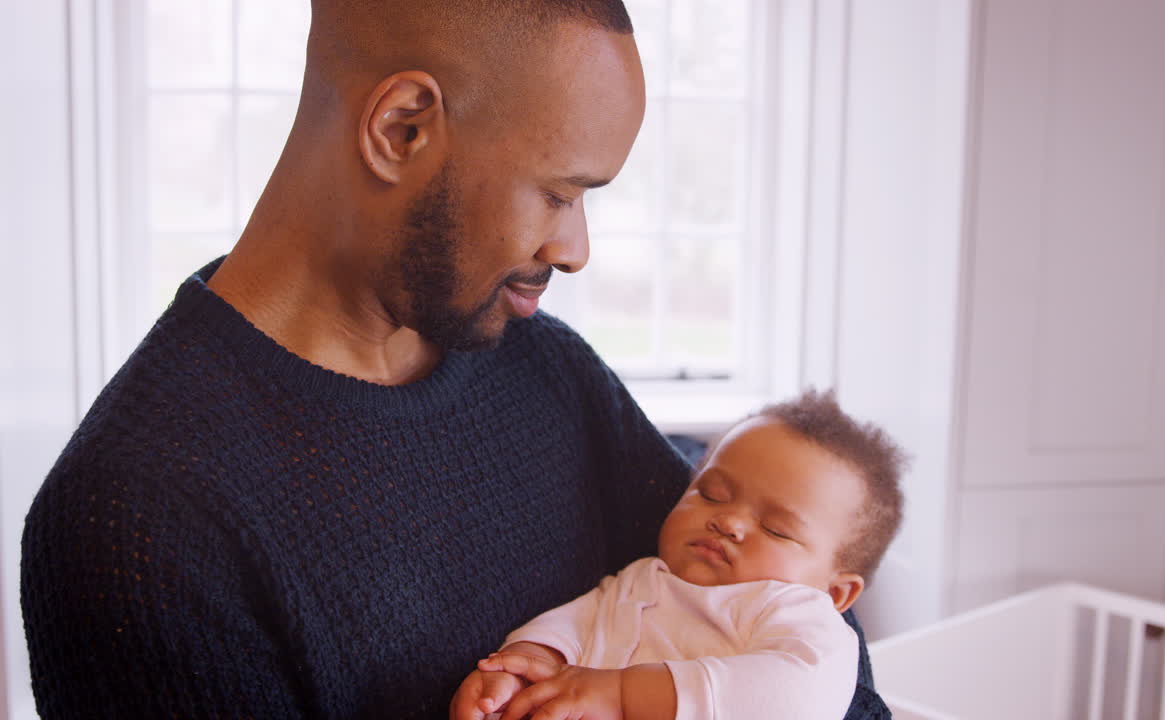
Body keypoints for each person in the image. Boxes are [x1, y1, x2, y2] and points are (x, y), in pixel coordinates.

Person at [21, 0, 890, 717]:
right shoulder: (137, 521)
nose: (576, 249)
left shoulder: (544, 370)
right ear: (401, 129)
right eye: (559, 193)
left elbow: (808, 644)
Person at [451, 390, 905, 720]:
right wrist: (525, 666)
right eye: (710, 494)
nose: (728, 522)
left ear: (836, 593)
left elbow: (795, 695)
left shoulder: (798, 617)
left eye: (775, 529)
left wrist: (622, 693)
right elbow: (573, 624)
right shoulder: (641, 580)